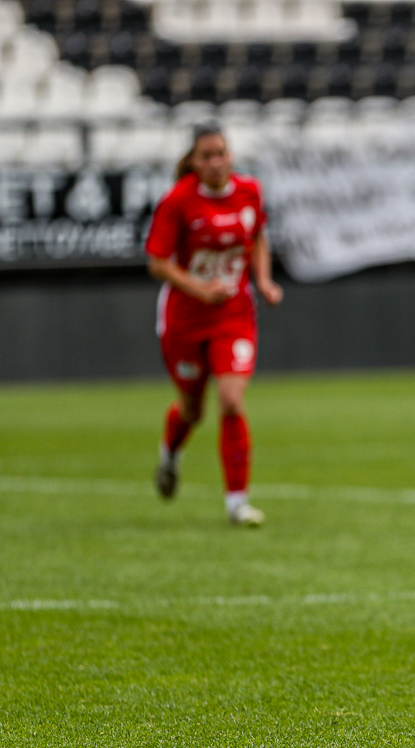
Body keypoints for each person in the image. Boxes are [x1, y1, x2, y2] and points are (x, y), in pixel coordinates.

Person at [145, 123, 283, 526]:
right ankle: (170, 453)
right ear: (194, 161)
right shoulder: (178, 201)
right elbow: (158, 263)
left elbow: (258, 237)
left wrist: (263, 280)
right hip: (185, 320)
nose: (215, 162)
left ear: (230, 155)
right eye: (206, 156)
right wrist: (200, 289)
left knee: (231, 401)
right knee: (192, 410)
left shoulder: (249, 191)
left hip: (233, 315)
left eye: (221, 153)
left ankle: (237, 503)